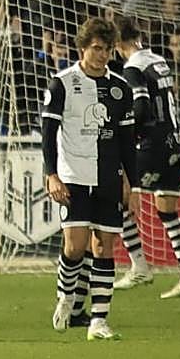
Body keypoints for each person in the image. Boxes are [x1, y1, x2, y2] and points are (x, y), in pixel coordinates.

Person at [44, 17, 135, 341]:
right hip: (73, 177)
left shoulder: (120, 88)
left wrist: (131, 183)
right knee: (74, 246)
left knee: (104, 247)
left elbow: (127, 140)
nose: (102, 55)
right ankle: (67, 298)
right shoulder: (62, 83)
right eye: (96, 48)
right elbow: (48, 133)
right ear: (82, 48)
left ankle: (99, 321)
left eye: (107, 49)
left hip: (108, 178)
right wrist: (51, 175)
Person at [113, 16, 180, 299]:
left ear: (117, 44)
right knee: (166, 210)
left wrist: (127, 134)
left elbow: (141, 107)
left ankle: (139, 266)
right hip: (176, 141)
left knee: (121, 199)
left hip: (152, 145)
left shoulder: (132, 68)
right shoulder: (157, 60)